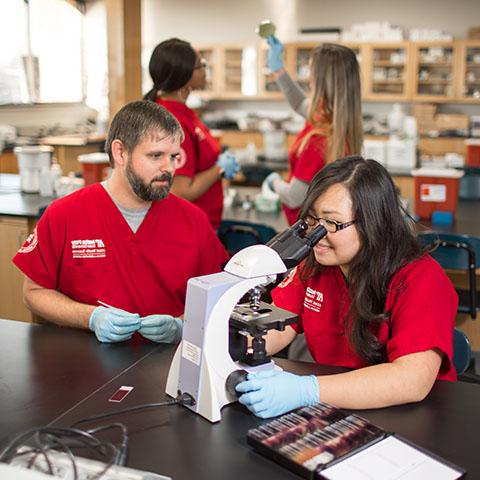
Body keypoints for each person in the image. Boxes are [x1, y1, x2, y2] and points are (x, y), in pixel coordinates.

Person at [236, 156, 457, 418]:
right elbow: (275, 329)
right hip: (337, 404)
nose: (317, 236)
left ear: (373, 224)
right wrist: (225, 344)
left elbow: (411, 380)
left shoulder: (421, 279)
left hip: (408, 416)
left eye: (332, 223)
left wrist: (306, 390)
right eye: (312, 220)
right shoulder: (315, 266)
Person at [13, 100, 229, 344]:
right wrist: (90, 317)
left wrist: (182, 326)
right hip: (83, 365)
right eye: (156, 156)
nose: (168, 168)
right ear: (120, 152)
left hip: (165, 366)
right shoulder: (64, 214)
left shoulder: (193, 221)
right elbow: (34, 293)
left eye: (174, 157)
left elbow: (218, 298)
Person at [263, 37, 363, 226]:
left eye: (311, 70)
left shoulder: (319, 140)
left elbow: (294, 198)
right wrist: (278, 70)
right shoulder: (337, 121)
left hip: (307, 232)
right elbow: (299, 103)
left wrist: (274, 181)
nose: (308, 77)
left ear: (321, 79)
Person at [144, 38, 239, 230]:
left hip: (202, 223)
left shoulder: (183, 111)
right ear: (185, 73)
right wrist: (219, 169)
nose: (205, 69)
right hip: (186, 227)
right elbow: (181, 190)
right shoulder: (170, 120)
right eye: (200, 65)